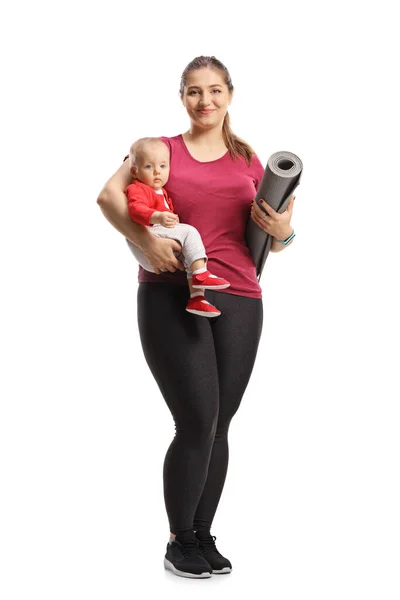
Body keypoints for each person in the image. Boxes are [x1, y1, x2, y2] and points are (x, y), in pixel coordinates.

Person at [97, 55, 296, 579]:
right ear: (181, 97)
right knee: (196, 419)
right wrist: (142, 239)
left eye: (214, 90)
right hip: (170, 293)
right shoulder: (158, 152)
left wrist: (284, 230)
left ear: (230, 93)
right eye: (193, 91)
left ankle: (202, 533)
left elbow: (271, 244)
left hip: (242, 296)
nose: (204, 101)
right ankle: (178, 539)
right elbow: (107, 197)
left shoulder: (252, 160)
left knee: (221, 423)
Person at [125, 136, 231, 317]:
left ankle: (197, 298)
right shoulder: (138, 188)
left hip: (160, 242)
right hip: (148, 237)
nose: (157, 172)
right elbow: (135, 210)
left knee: (189, 254)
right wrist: (157, 216)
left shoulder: (162, 192)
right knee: (189, 231)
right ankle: (201, 273)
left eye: (163, 166)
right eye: (149, 167)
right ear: (135, 171)